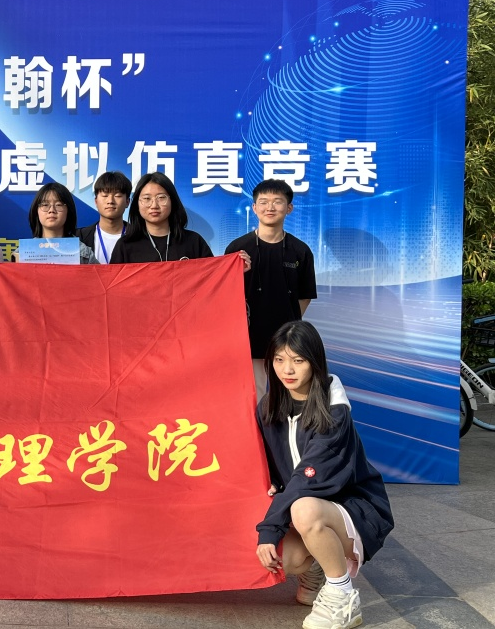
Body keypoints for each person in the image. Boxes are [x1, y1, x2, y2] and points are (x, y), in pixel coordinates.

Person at [256, 321, 393, 629]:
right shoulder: (269, 406)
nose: (287, 369)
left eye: (298, 360)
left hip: (354, 509)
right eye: (279, 359)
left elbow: (308, 478)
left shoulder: (333, 412)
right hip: (303, 506)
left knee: (303, 509)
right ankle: (315, 567)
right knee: (284, 557)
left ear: (315, 362)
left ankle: (343, 596)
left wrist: (270, 528)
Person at [225, 179, 317, 401]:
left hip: (287, 338)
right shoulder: (237, 249)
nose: (270, 207)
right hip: (248, 335)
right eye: (264, 202)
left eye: (277, 202)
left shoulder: (300, 251)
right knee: (254, 393)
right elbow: (225, 293)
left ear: (289, 208)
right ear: (254, 207)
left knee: (287, 393)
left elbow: (305, 295)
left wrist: (289, 322)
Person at [110, 172, 212, 263]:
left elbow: (212, 275)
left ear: (172, 201)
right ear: (137, 204)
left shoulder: (194, 241)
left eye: (161, 197)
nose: (154, 205)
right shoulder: (125, 246)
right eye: (147, 198)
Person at [18, 182, 98, 264]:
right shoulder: (21, 254)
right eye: (45, 205)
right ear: (36, 211)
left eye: (58, 205)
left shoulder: (84, 254)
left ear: (68, 211)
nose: (51, 210)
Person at [76, 171, 132, 264]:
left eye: (117, 195)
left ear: (127, 202)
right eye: (105, 195)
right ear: (96, 201)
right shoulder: (79, 238)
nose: (110, 201)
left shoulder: (141, 238)